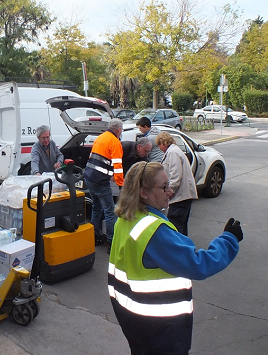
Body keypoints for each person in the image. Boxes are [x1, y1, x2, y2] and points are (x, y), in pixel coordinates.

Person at [109, 161, 242, 355]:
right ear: (143, 192)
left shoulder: (126, 218)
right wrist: (228, 240)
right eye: (164, 187)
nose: (170, 191)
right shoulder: (154, 232)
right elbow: (198, 265)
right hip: (161, 329)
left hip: (134, 321)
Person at [83, 118, 124, 250]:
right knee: (110, 211)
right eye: (121, 130)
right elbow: (118, 166)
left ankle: (95, 236)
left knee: (96, 207)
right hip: (101, 182)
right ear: (118, 130)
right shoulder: (115, 142)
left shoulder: (100, 138)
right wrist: (120, 184)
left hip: (89, 178)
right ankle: (112, 242)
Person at [155, 131, 198, 236]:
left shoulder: (173, 152)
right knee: (181, 225)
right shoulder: (174, 151)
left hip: (180, 197)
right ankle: (184, 248)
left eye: (159, 145)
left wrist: (169, 192)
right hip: (184, 195)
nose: (159, 148)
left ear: (163, 143)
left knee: (175, 224)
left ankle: (178, 249)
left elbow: (175, 175)